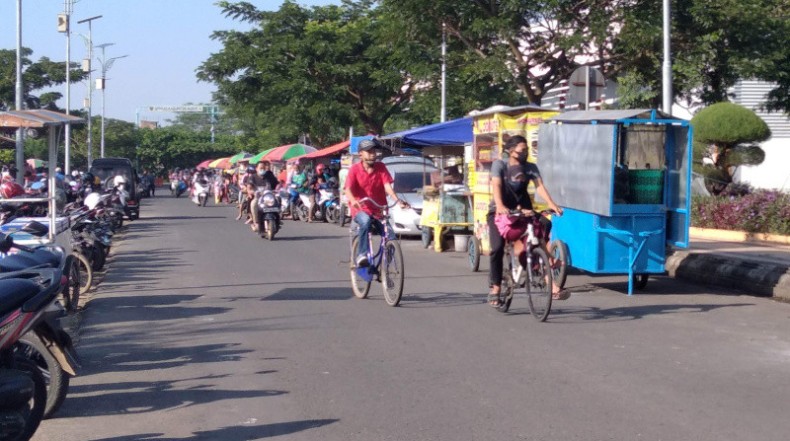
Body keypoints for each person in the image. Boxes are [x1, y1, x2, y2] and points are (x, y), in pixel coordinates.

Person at [487, 135, 566, 307]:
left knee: (544, 225)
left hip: (524, 210)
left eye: (527, 150)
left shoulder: (530, 167)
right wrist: (500, 205)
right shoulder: (500, 165)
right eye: (522, 150)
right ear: (510, 150)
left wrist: (552, 204)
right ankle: (495, 287)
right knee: (497, 248)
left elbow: (539, 186)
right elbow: (497, 185)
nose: (525, 153)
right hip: (499, 213)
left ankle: (546, 269)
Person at [344, 138, 409, 267]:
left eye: (373, 151)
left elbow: (387, 186)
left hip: (379, 210)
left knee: (391, 236)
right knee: (366, 222)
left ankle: (386, 268)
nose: (372, 154)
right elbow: (348, 189)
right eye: (369, 151)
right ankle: (362, 254)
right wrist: (353, 200)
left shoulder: (381, 167)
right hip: (360, 209)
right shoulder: (354, 170)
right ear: (360, 154)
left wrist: (398, 201)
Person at [249, 161, 279, 230]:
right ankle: (256, 222)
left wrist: (278, 189)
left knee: (278, 200)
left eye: (264, 168)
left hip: (269, 196)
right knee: (253, 204)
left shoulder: (270, 175)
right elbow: (249, 187)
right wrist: (253, 192)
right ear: (256, 168)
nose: (262, 169)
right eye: (260, 168)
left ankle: (277, 219)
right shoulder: (253, 177)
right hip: (259, 197)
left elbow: (277, 184)